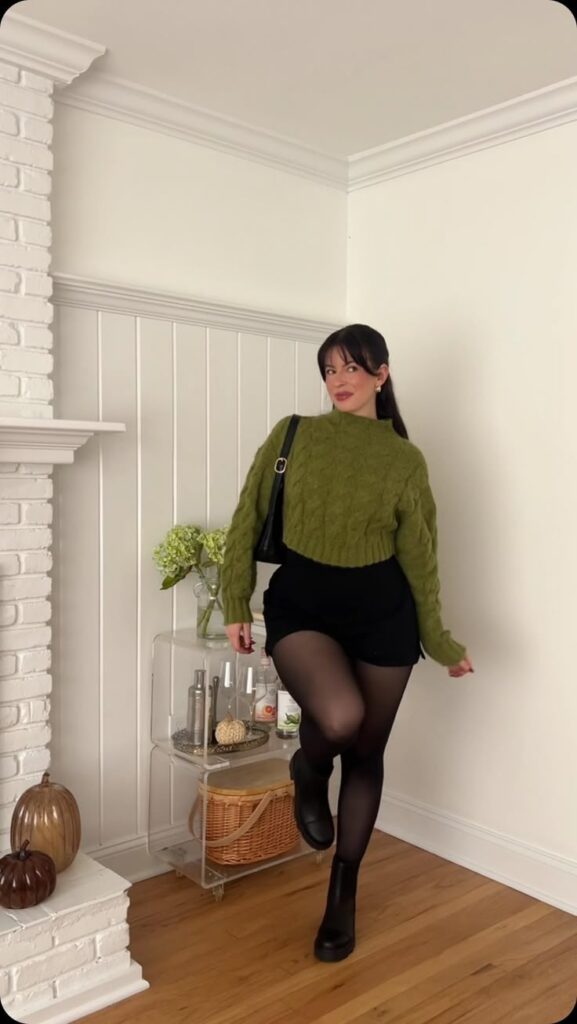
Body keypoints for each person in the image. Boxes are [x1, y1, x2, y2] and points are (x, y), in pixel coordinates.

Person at [221, 323, 473, 963]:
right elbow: (247, 515)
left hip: (383, 612)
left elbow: (421, 557)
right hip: (304, 601)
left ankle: (343, 892)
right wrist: (234, 599)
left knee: (367, 752)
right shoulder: (292, 434)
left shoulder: (404, 459)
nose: (339, 379)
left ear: (382, 374)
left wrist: (439, 639)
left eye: (354, 367)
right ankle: (307, 767)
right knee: (338, 719)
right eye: (330, 369)